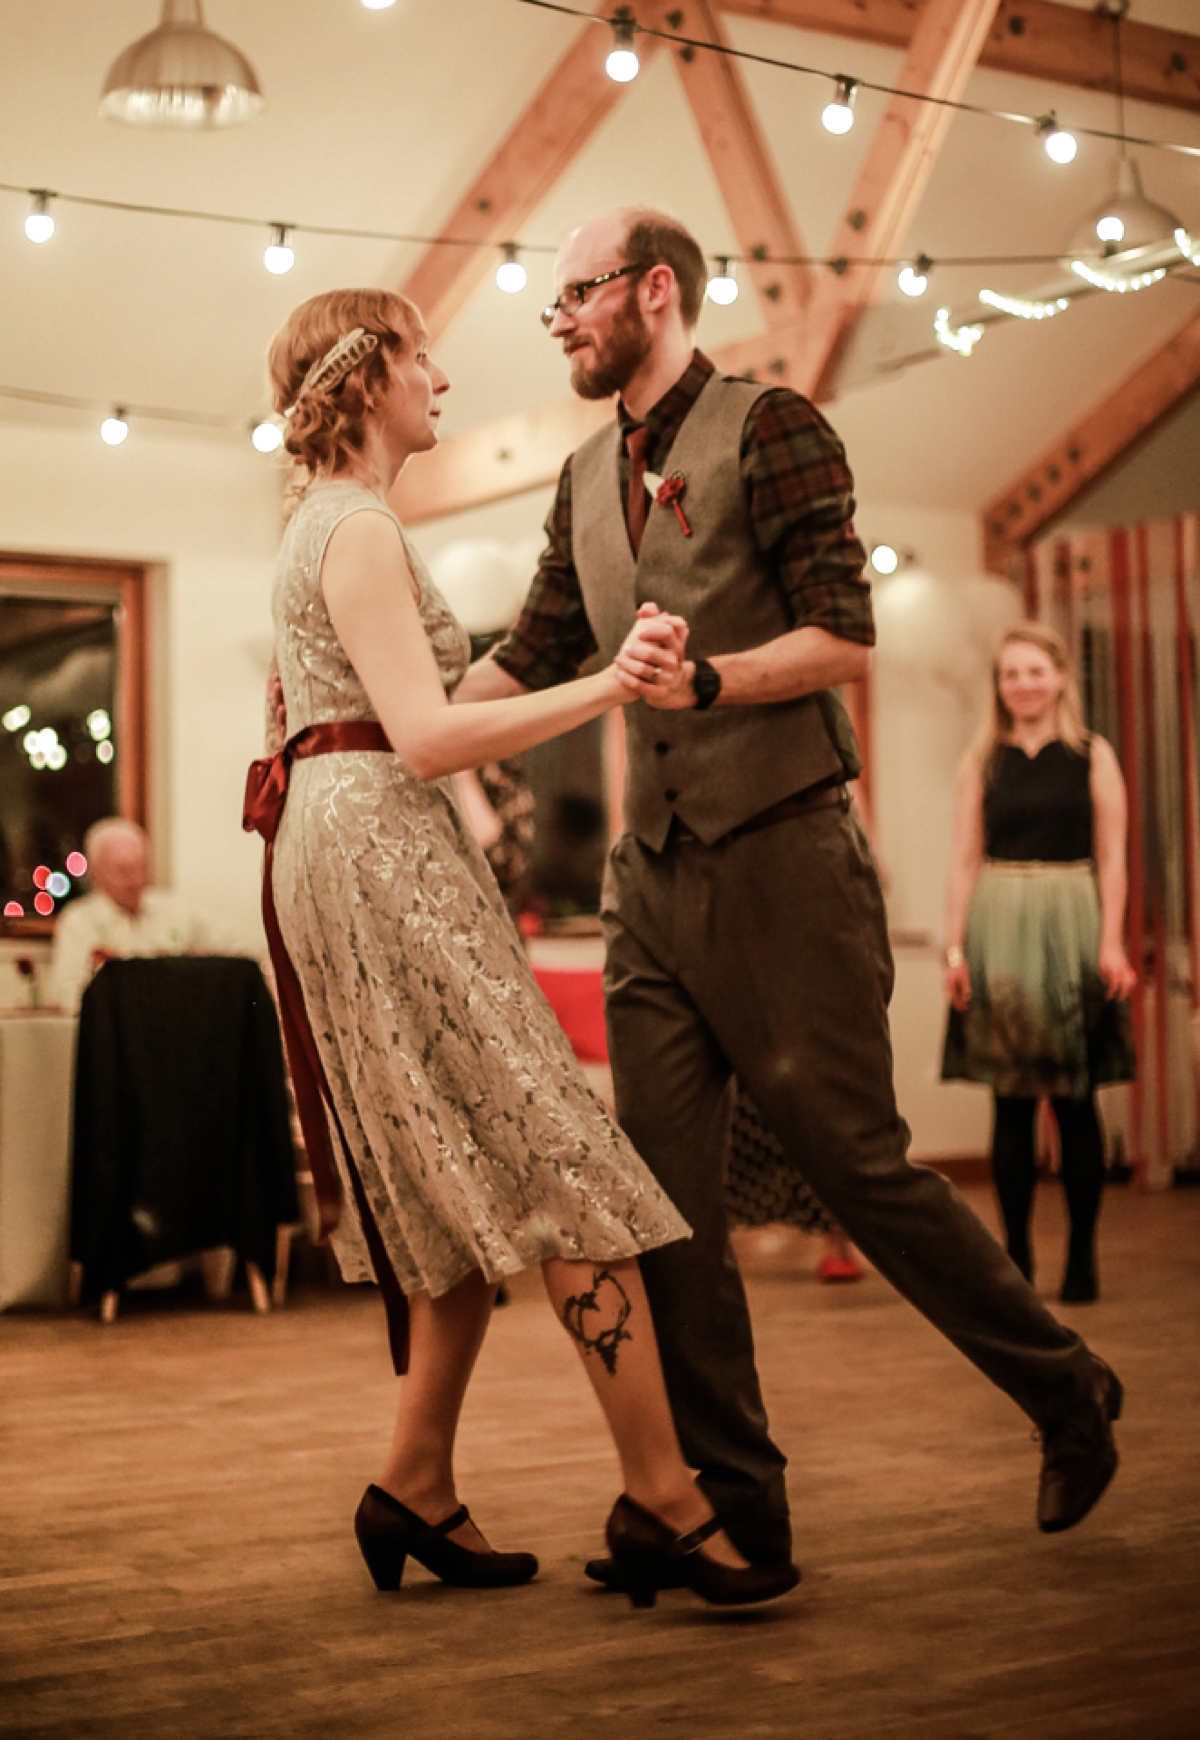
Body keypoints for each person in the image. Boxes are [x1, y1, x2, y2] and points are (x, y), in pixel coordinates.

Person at [456, 208, 1124, 1575]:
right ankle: (735, 1501)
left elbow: (844, 638)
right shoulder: (581, 475)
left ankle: (1067, 1390)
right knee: (659, 1191)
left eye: (575, 296)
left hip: (788, 850)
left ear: (654, 291)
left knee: (857, 1168)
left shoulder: (775, 427)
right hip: (650, 874)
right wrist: (363, 716)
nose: (561, 322)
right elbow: (524, 656)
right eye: (551, 306)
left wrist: (710, 677)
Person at [251, 286, 798, 1610]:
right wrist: (610, 689)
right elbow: (427, 738)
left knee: (464, 1179)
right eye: (424, 355)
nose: (443, 375)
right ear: (372, 371)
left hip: (350, 840)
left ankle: (415, 1486)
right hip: (383, 848)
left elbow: (406, 706)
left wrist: (578, 656)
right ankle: (669, 1500)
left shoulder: (322, 524)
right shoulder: (361, 525)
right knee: (563, 1158)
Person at [941, 623, 1137, 1303]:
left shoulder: (1092, 755)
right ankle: (1016, 1259)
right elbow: (964, 859)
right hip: (999, 918)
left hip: (1073, 914)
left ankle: (1082, 1259)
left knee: (1076, 1099)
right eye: (1009, 674)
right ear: (999, 687)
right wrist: (955, 948)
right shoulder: (983, 759)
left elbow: (1113, 858)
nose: (1021, 684)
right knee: (1011, 1102)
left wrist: (1110, 942)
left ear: (1059, 678)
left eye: (1033, 671)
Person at [47, 818, 212, 1013]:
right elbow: (67, 994)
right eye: (123, 871)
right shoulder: (78, 921)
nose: (136, 880)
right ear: (96, 873)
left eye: (141, 868)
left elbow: (241, 947)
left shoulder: (176, 910)